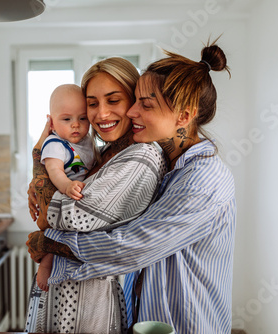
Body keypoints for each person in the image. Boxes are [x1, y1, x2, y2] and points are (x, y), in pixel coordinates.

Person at [27, 40, 236, 334]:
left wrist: (51, 242)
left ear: (184, 117)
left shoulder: (203, 180)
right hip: (149, 321)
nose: (133, 112)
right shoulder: (170, 166)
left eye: (144, 104)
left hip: (187, 324)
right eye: (135, 100)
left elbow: (132, 246)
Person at [25, 57, 167, 334]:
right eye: (92, 103)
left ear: (134, 103)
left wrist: (37, 160)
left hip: (88, 304)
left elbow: (66, 216)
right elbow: (52, 206)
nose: (101, 114)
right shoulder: (102, 153)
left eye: (114, 100)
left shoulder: (140, 157)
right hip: (66, 294)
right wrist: (41, 181)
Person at [36, 84, 96, 291]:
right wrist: (67, 185)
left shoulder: (87, 141)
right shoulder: (55, 144)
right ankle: (45, 264)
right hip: (60, 198)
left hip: (77, 197)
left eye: (82, 118)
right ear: (51, 122)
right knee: (55, 235)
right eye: (67, 119)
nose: (76, 125)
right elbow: (55, 171)